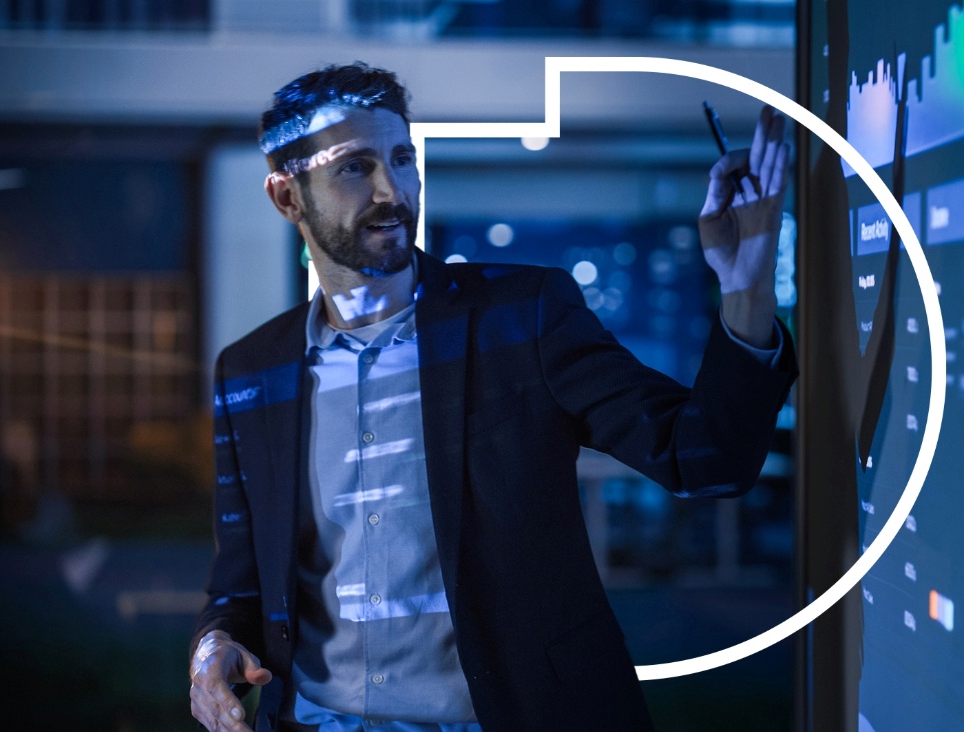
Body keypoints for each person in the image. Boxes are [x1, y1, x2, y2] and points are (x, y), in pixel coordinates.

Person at [189, 62, 797, 732]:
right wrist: (214, 648)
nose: (392, 190)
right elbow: (241, 585)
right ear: (287, 196)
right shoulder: (249, 372)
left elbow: (705, 457)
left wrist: (745, 288)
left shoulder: (522, 318)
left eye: (401, 158)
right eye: (355, 167)